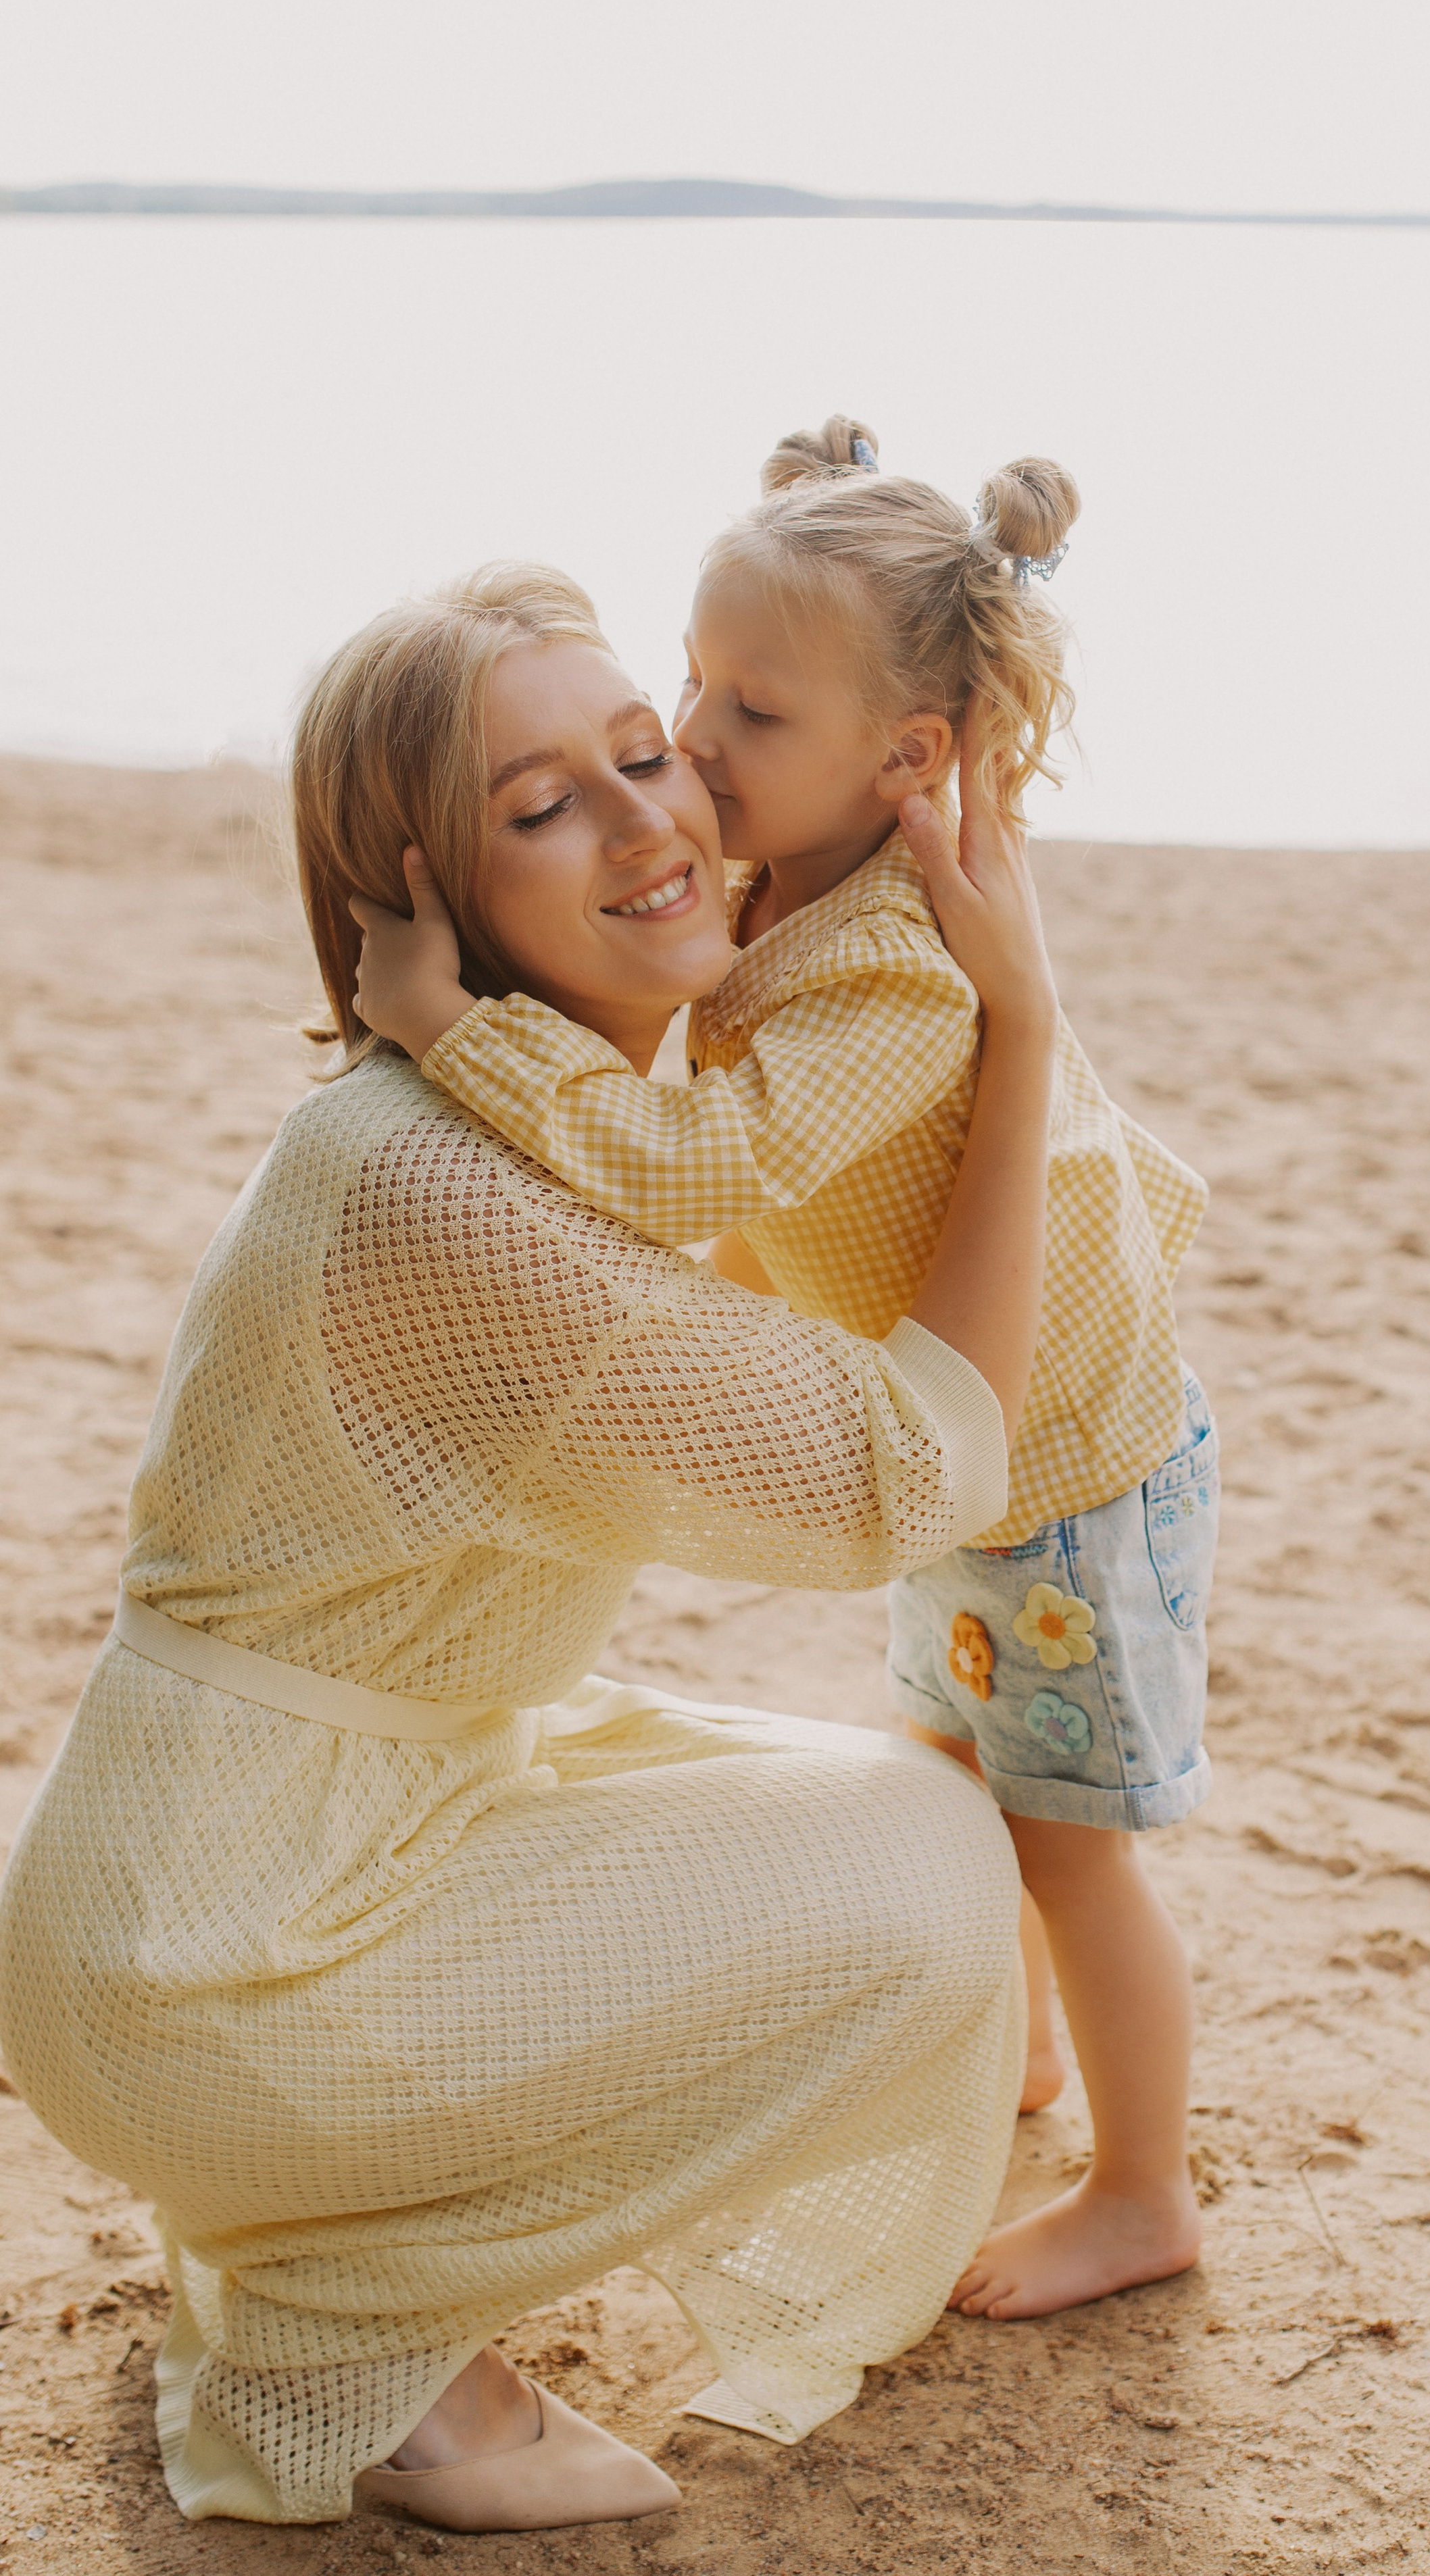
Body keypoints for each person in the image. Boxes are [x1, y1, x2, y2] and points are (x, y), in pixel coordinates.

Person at [0, 561, 1061, 2533]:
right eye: (540, 806)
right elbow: (910, 1479)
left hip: (243, 1860)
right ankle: (352, 2328)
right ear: (418, 892)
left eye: (645, 754)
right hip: (218, 1954)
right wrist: (1022, 1024)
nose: (652, 818)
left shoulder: (506, 1117)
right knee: (928, 1875)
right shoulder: (439, 1195)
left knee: (853, 1792)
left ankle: (298, 2223)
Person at [352, 423, 1218, 2326]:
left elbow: (706, 1163)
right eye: (690, 676)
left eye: (747, 705)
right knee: (954, 1768)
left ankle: (1146, 2190)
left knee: (1070, 1844)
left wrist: (442, 1033)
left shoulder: (901, 957)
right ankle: (1021, 2061)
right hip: (969, 1441)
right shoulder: (798, 875)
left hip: (1064, 1459)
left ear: (906, 760)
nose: (690, 734)